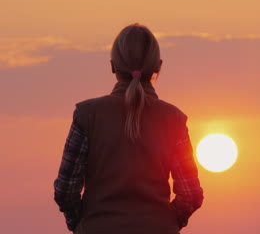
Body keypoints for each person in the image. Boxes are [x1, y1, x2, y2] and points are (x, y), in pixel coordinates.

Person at [53, 23, 204, 234]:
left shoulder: (86, 115)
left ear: (113, 66)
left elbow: (65, 190)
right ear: (158, 66)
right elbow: (191, 194)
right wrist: (167, 223)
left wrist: (81, 223)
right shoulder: (174, 120)